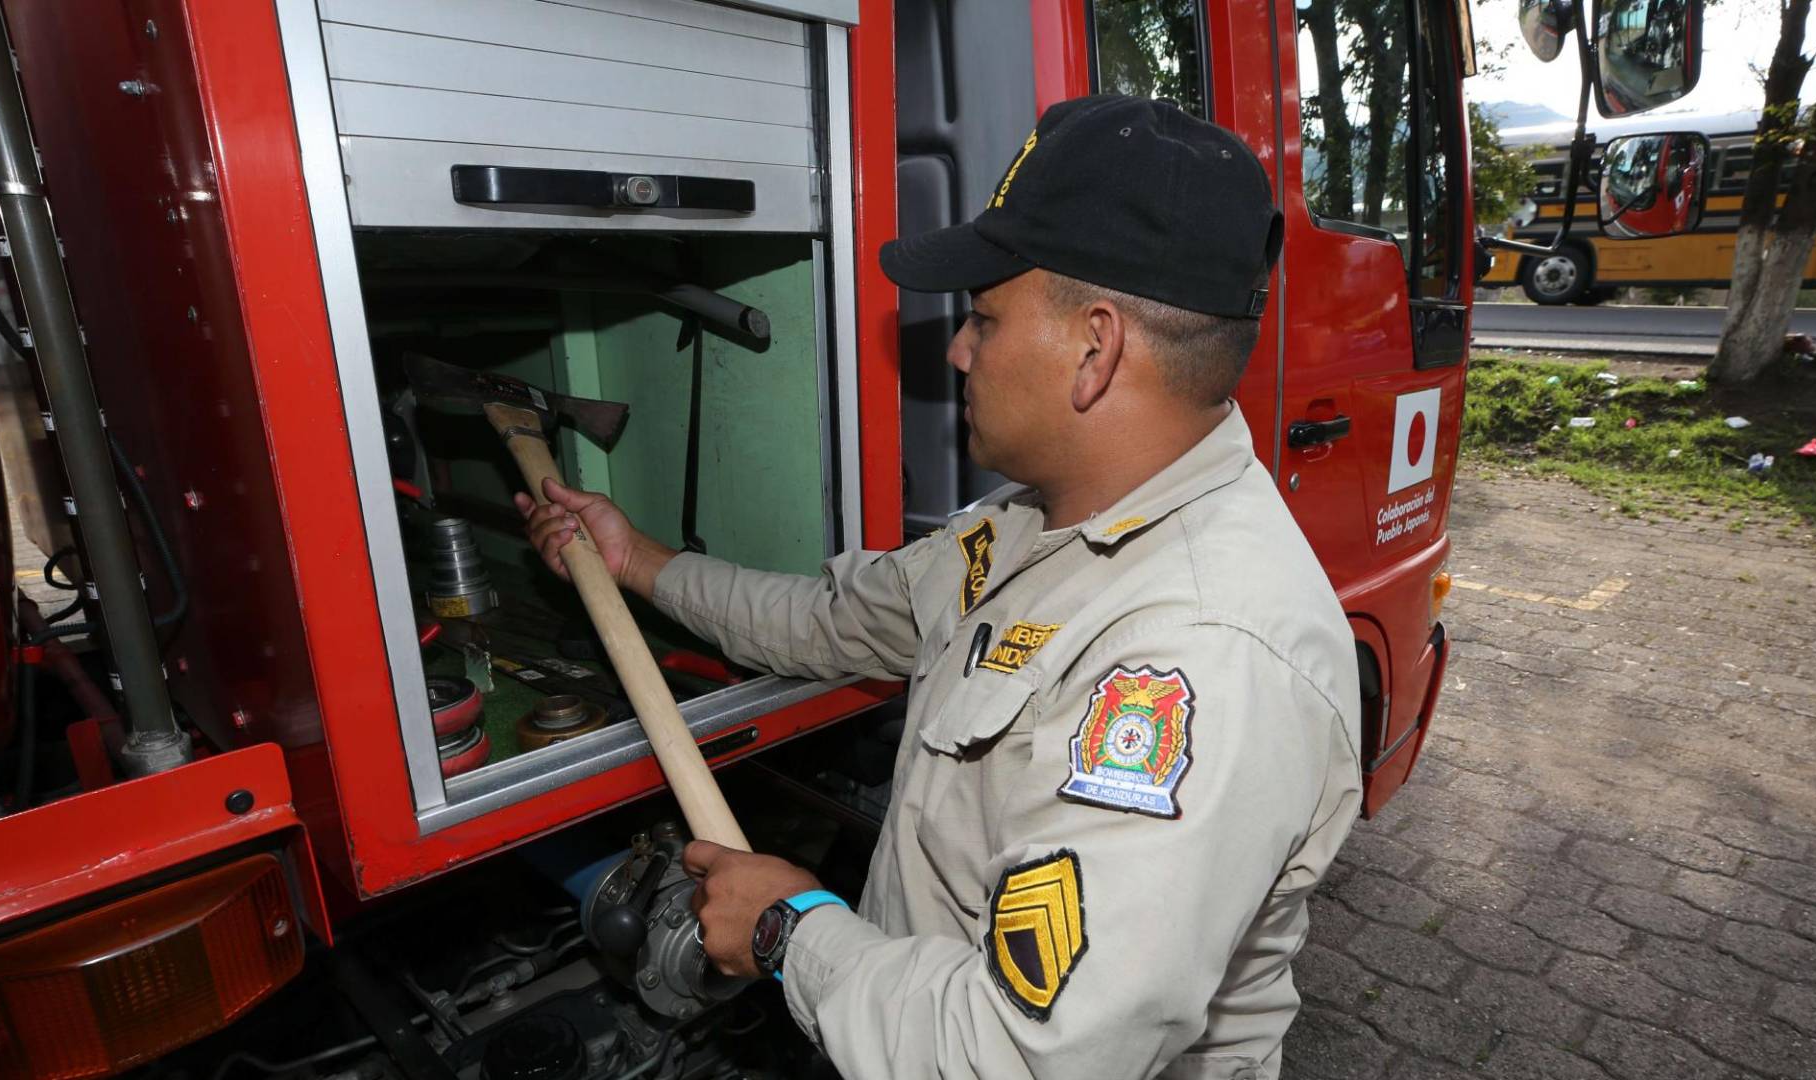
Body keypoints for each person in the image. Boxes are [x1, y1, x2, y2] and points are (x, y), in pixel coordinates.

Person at [516, 94, 1361, 1080]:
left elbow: (1029, 1057)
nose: (958, 349)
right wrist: (636, 561)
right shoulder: (1036, 524)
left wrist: (789, 932)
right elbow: (828, 620)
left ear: (1094, 349)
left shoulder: (1205, 654)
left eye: (985, 319)